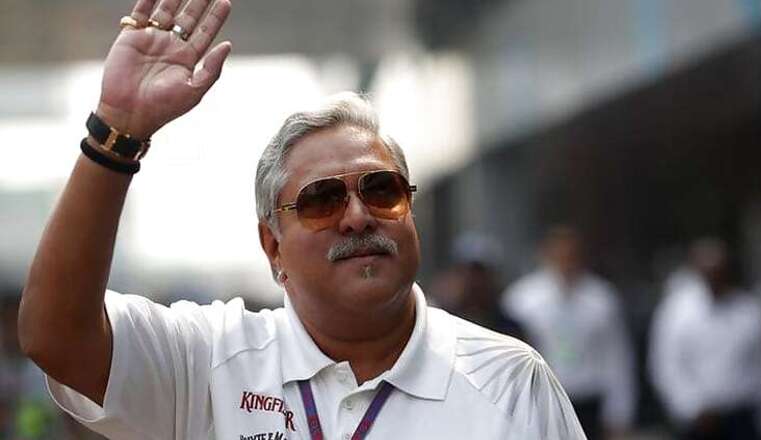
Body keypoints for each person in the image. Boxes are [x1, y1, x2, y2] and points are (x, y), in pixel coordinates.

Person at [17, 0, 586, 439]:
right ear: (273, 248)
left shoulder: (510, 382)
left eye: (381, 190)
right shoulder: (209, 361)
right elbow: (55, 336)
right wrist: (115, 132)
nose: (358, 216)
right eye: (322, 201)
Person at [501, 226, 636, 440]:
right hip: (542, 400)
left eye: (572, 255)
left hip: (589, 401)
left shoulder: (601, 299)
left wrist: (619, 412)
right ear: (546, 255)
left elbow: (616, 358)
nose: (566, 262)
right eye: (560, 255)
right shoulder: (523, 300)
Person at [648, 238, 761, 440]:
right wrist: (692, 407)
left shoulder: (749, 312)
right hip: (698, 419)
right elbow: (666, 365)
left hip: (743, 414)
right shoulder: (677, 312)